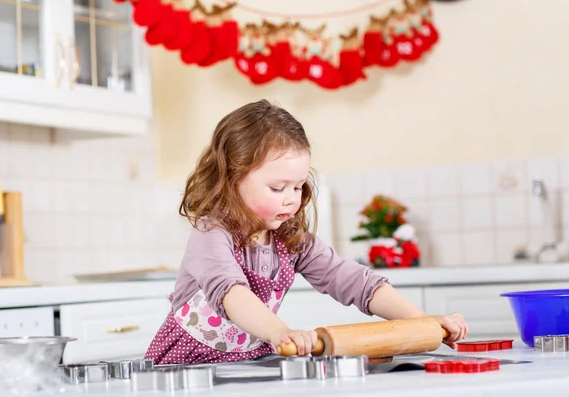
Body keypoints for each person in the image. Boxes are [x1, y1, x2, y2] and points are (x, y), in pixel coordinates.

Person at [144, 99, 468, 364]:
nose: (291, 199)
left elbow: (353, 281)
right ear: (231, 177)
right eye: (276, 187)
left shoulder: (289, 237)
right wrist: (279, 332)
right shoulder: (211, 232)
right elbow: (230, 293)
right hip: (187, 367)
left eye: (298, 186)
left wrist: (423, 322)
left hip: (247, 364)